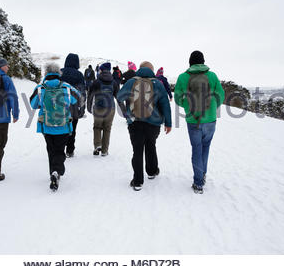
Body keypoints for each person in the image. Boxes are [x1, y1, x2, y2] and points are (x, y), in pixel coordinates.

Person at [174, 50, 225, 194]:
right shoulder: (212, 75)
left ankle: (198, 183)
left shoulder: (183, 77)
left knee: (196, 149)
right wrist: (213, 107)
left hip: (192, 119)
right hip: (210, 119)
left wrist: (187, 105)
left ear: (190, 62)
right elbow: (221, 95)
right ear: (203, 61)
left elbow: (178, 98)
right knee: (205, 147)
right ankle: (202, 175)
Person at [117, 61, 172, 191]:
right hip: (153, 123)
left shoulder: (131, 82)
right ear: (152, 70)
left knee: (137, 150)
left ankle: (137, 181)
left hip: (135, 122)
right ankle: (152, 171)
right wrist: (168, 123)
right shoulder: (158, 83)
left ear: (140, 69)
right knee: (150, 145)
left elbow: (119, 97)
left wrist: (128, 108)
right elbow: (165, 104)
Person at [30, 63, 81, 191]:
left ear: (46, 73)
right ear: (59, 73)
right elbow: (78, 99)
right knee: (59, 149)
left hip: (46, 125)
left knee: (51, 148)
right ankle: (57, 171)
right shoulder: (66, 86)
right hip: (63, 124)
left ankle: (52, 171)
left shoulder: (40, 88)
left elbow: (33, 104)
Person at [87, 62, 124, 156]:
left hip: (99, 108)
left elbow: (90, 95)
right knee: (107, 129)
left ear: (101, 70)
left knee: (97, 127)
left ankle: (97, 145)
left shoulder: (96, 81)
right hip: (110, 108)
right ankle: (104, 151)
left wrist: (89, 107)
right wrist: (124, 110)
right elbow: (119, 97)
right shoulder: (114, 82)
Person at [60, 53, 86, 158]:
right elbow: (82, 93)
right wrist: (82, 108)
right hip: (74, 107)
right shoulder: (79, 75)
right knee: (72, 128)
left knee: (61, 128)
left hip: (60, 106)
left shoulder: (60, 72)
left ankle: (60, 148)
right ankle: (70, 150)